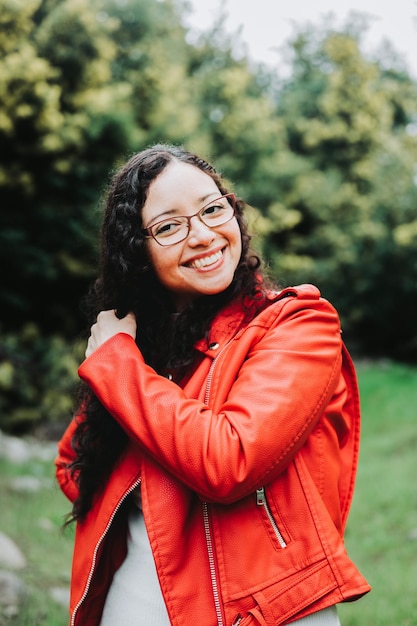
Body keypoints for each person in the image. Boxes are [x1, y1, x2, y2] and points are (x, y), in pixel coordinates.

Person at [56, 143, 371, 626]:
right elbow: (75, 466)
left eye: (211, 208)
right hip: (134, 598)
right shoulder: (142, 345)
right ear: (136, 251)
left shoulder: (297, 323)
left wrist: (118, 366)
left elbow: (230, 461)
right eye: (168, 226)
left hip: (265, 608)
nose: (203, 235)